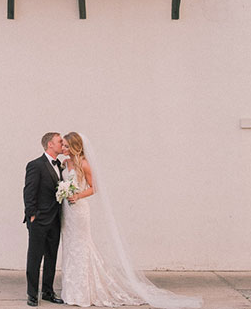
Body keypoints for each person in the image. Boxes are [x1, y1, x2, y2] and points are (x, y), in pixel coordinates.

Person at [59, 132, 202, 308]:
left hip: (79, 210)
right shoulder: (66, 163)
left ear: (74, 146)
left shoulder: (84, 164)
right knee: (69, 247)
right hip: (68, 212)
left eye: (66, 146)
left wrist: (78, 195)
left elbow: (94, 187)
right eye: (62, 145)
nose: (63, 148)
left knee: (81, 247)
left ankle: (83, 292)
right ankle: (71, 290)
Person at [23, 132, 66, 307]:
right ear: (50, 144)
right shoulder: (35, 165)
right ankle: (32, 294)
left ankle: (48, 291)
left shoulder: (61, 166)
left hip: (56, 219)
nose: (62, 144)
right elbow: (29, 191)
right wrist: (31, 214)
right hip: (39, 220)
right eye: (59, 141)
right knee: (35, 257)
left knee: (51, 256)